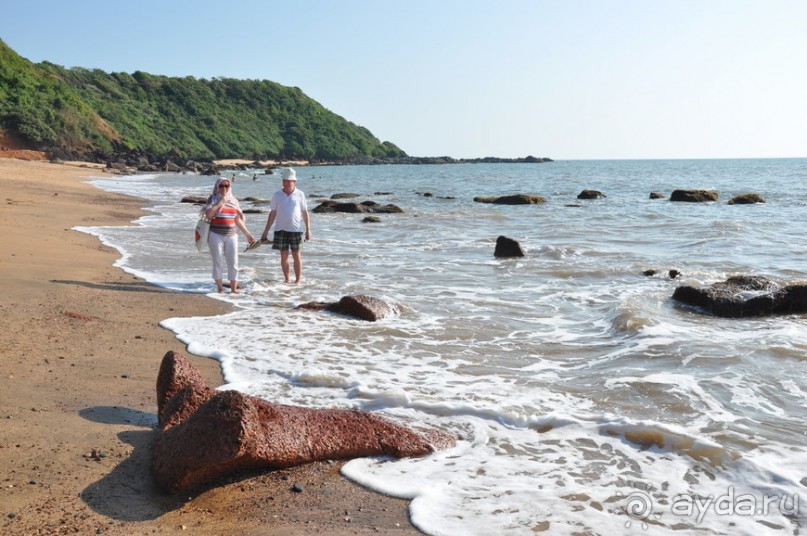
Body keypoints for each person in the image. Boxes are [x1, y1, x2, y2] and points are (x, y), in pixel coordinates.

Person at [202, 177, 255, 293]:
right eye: (221, 186)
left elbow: (238, 220)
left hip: (232, 235)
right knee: (218, 261)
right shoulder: (212, 199)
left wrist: (248, 234)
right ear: (217, 187)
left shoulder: (234, 201)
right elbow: (209, 215)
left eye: (227, 186)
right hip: (215, 234)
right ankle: (220, 288)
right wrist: (222, 201)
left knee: (233, 262)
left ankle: (234, 289)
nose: (224, 188)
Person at [260, 167, 311, 284]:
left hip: (296, 230)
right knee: (283, 256)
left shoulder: (300, 194)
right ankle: (287, 279)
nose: (286, 183)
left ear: (294, 182)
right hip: (280, 229)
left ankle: (298, 280)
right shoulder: (277, 195)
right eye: (284, 180)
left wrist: (308, 229)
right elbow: (272, 213)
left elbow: (305, 212)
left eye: (289, 180)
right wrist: (266, 231)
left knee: (296, 255)